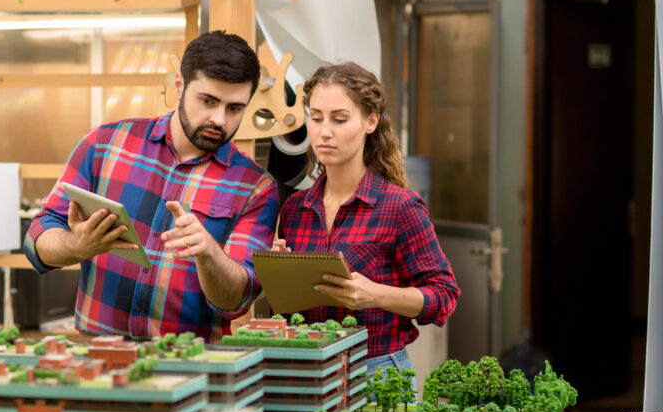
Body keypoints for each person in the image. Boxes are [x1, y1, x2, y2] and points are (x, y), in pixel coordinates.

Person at [23, 31, 279, 341]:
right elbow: (38, 236)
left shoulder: (254, 187)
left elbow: (237, 299)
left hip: (192, 367)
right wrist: (76, 246)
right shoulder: (105, 144)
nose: (219, 119)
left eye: (234, 108)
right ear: (179, 86)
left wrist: (209, 253)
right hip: (98, 360)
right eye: (208, 101)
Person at [273, 62, 459, 376]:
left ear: (370, 121)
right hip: (304, 370)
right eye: (316, 118)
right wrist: (282, 274)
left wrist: (375, 294)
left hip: (376, 373)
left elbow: (444, 295)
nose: (324, 131)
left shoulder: (399, 206)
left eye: (339, 119)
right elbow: (288, 308)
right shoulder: (295, 208)